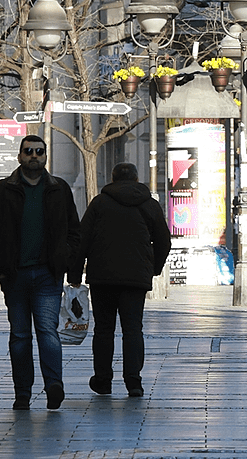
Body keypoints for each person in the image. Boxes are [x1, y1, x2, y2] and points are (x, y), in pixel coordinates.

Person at [0, 135, 80, 410]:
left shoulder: (59, 188)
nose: (34, 156)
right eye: (28, 151)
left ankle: (53, 386)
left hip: (48, 274)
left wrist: (68, 262)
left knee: (48, 331)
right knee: (20, 336)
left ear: (46, 156)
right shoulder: (1, 191)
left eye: (39, 152)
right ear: (20, 156)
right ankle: (22, 392)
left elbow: (74, 231)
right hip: (14, 275)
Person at [68, 163, 171, 397]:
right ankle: (133, 381)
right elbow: (164, 241)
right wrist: (153, 268)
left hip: (102, 277)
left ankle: (103, 380)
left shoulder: (99, 203)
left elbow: (82, 240)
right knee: (133, 329)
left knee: (104, 330)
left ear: (113, 179)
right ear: (136, 179)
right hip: (136, 278)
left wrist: (74, 274)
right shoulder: (149, 204)